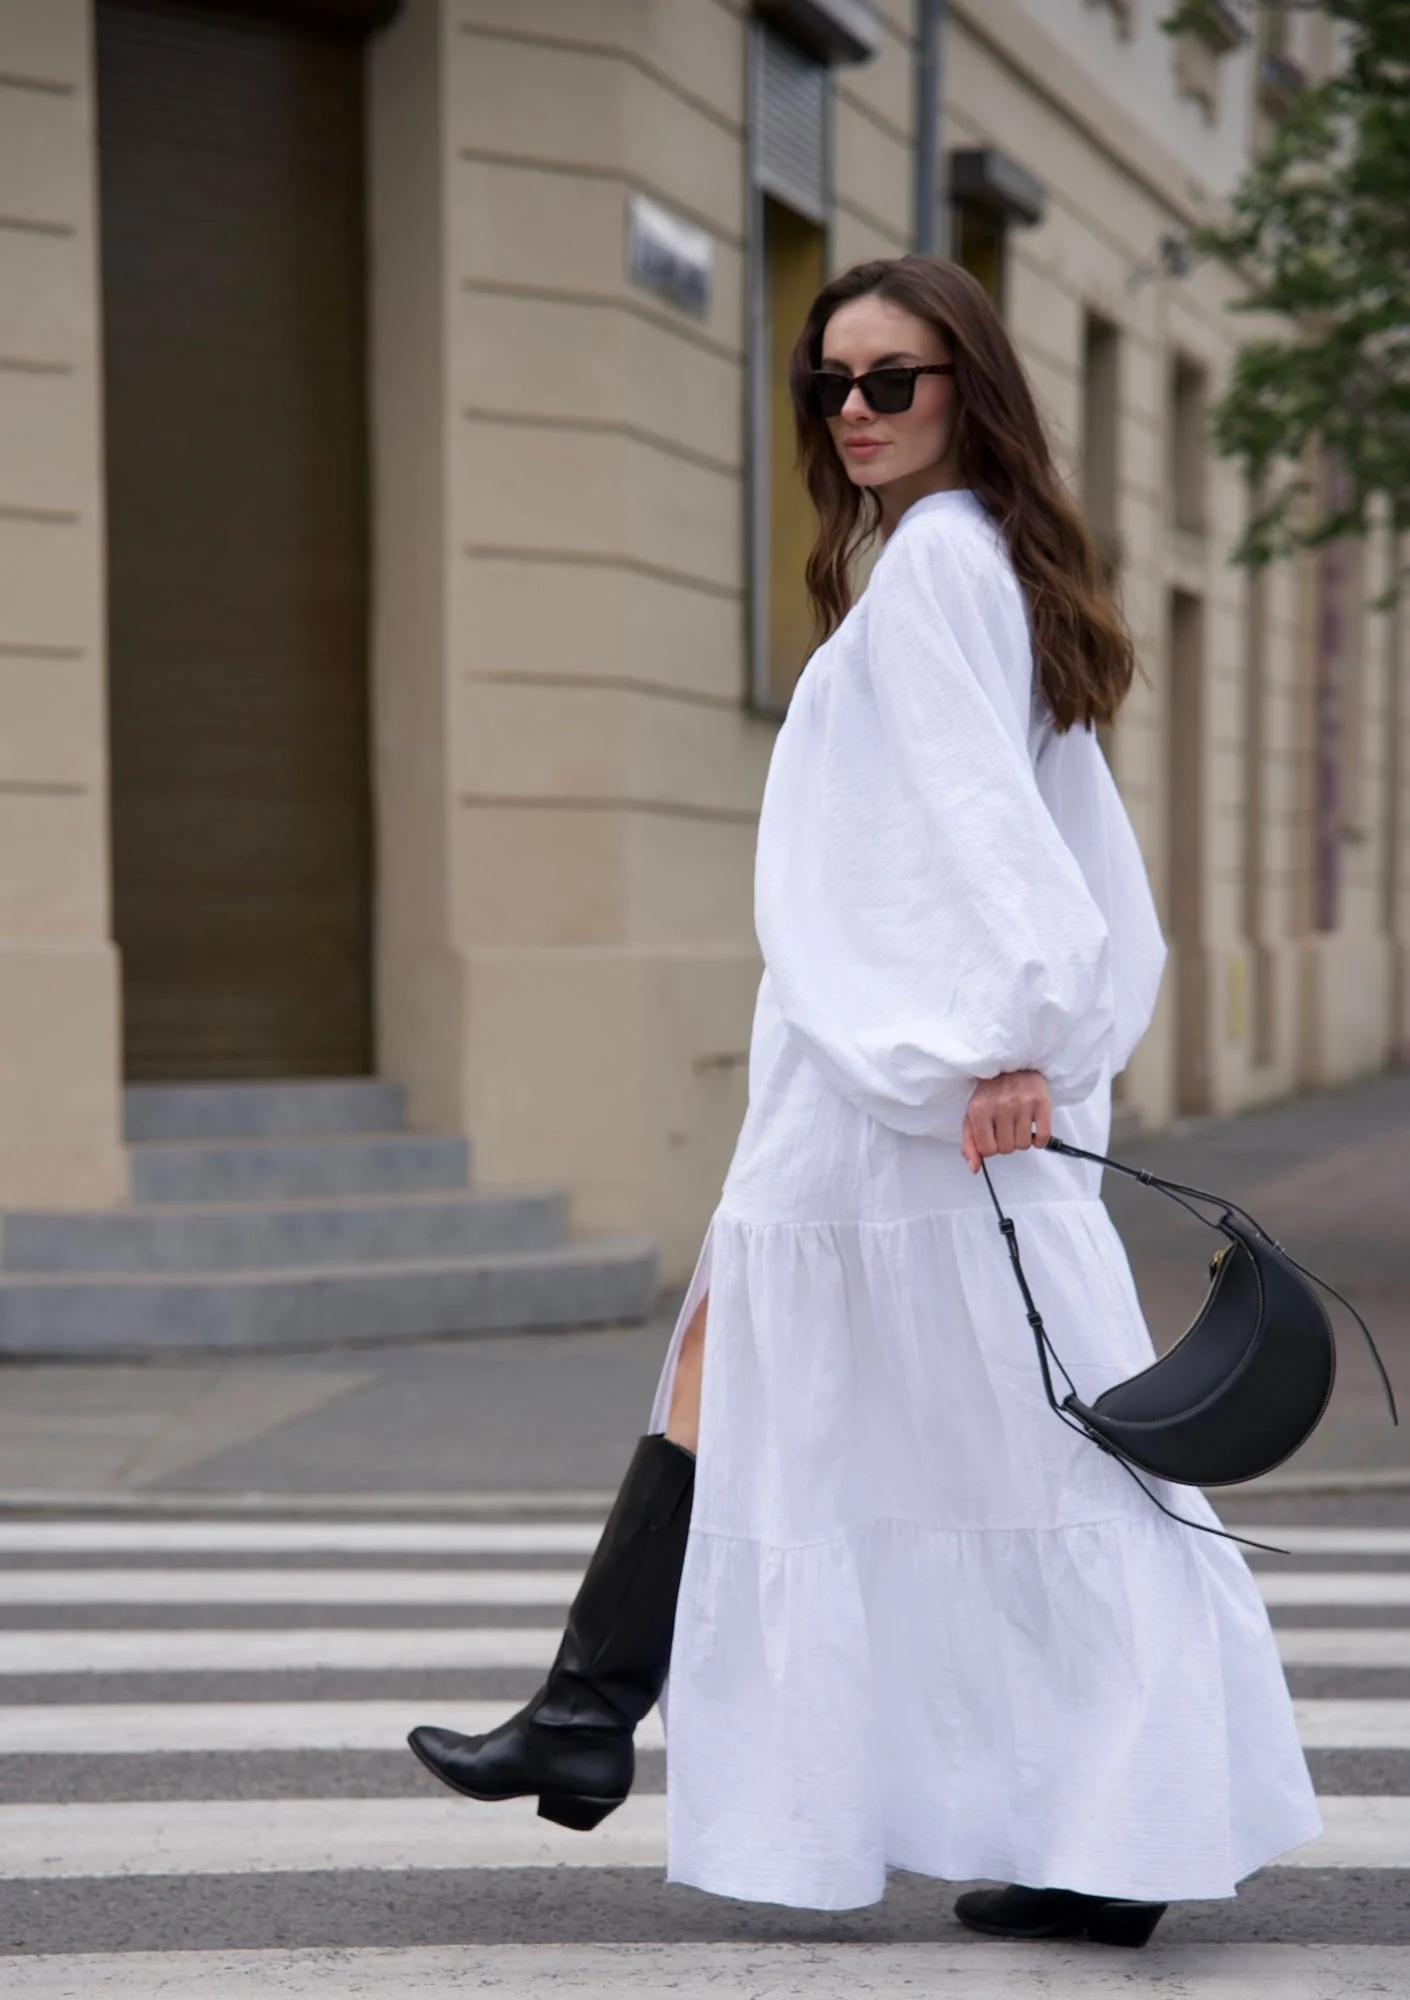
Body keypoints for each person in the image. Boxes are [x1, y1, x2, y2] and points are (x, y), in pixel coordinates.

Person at [407, 255, 1321, 1944]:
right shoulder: (968, 563)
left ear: (967, 389)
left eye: (889, 379)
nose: (851, 409)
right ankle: (591, 1704)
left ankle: (607, 1712)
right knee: (790, 1372)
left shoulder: (937, 569)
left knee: (1034, 1452)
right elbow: (1047, 837)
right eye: (827, 382)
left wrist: (1011, 1036)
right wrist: (1011, 1038)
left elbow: (993, 831)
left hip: (923, 1085)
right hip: (890, 1072)